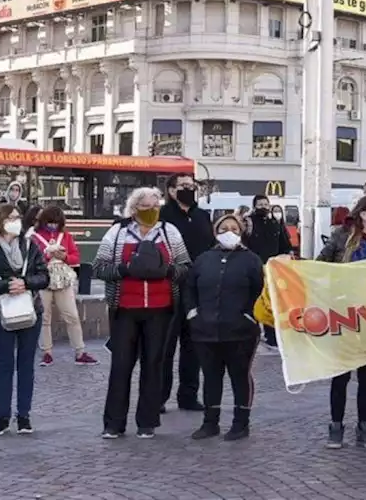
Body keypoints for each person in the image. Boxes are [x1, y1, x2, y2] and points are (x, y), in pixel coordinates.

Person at [94, 187, 192, 439]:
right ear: (135, 208)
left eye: (155, 206)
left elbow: (185, 266)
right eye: (146, 207)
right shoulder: (117, 232)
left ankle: (147, 422)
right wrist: (126, 269)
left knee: (154, 365)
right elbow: (99, 267)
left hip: (160, 310)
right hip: (125, 309)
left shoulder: (169, 232)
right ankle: (113, 423)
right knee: (121, 366)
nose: (152, 211)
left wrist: (167, 271)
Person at [317, 194, 366, 450]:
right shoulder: (342, 236)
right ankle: (336, 425)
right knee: (340, 375)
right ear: (363, 213)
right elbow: (321, 264)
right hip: (344, 313)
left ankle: (365, 425)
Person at [0, 203, 49, 435]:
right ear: (0, 222)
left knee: (26, 365)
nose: (17, 221)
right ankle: (3, 416)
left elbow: (44, 277)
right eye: (12, 218)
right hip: (1, 314)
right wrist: (6, 285)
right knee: (5, 366)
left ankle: (24, 415)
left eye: (18, 217)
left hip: (30, 311)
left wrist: (25, 283)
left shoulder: (30, 246)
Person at [185, 215, 263, 441]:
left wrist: (250, 315)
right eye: (224, 228)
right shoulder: (204, 259)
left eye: (234, 228)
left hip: (240, 331)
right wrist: (192, 312)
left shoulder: (251, 260)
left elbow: (261, 291)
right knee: (210, 377)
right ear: (216, 231)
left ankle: (241, 423)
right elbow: (190, 288)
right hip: (205, 330)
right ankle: (210, 422)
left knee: (240, 376)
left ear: (241, 232)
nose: (229, 231)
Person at [158, 173, 212, 412]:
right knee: (164, 346)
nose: (189, 189)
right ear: (171, 190)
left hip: (197, 289)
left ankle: (188, 395)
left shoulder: (203, 216)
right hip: (168, 287)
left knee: (194, 347)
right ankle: (158, 397)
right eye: (184, 186)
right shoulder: (162, 217)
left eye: (192, 186)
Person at [29, 206, 97, 367]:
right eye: (50, 222)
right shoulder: (35, 237)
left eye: (56, 222)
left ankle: (80, 351)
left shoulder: (65, 236)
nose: (53, 225)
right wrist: (47, 255)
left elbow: (76, 257)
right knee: (44, 317)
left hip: (62, 280)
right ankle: (47, 352)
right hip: (43, 278)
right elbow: (31, 260)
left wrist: (64, 256)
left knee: (72, 315)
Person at [242, 194, 293, 356]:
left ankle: (272, 337)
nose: (264, 206)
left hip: (272, 269)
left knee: (271, 302)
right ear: (254, 205)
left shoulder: (275, 223)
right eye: (260, 204)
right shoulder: (249, 223)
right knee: (253, 300)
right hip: (253, 268)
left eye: (266, 203)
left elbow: (285, 245)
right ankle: (252, 333)